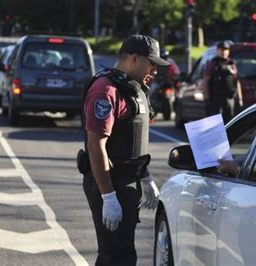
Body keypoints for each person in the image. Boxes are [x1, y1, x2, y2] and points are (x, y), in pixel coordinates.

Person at [78, 35, 167, 265]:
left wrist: (145, 177)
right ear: (135, 59)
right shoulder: (106, 90)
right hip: (109, 182)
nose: (155, 70)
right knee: (113, 255)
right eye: (152, 63)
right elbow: (96, 145)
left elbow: (131, 140)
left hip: (127, 181)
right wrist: (108, 196)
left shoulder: (134, 88)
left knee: (125, 253)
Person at [202, 41, 243, 123]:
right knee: (215, 122)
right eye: (222, 50)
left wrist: (240, 98)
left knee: (229, 121)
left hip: (229, 98)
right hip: (215, 98)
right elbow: (206, 81)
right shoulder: (213, 63)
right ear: (218, 50)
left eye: (226, 50)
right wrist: (206, 98)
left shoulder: (231, 64)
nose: (224, 52)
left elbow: (237, 81)